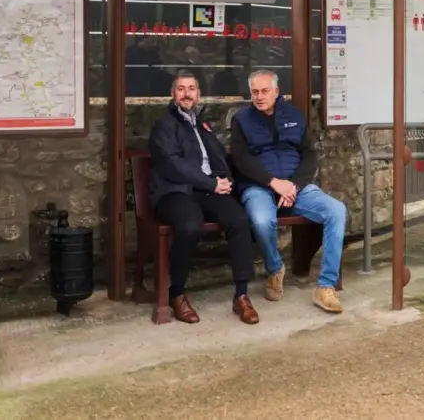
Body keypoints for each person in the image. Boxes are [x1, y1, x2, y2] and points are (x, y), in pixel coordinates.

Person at [230, 69, 348, 314]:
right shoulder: (241, 119)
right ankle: (275, 268)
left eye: (264, 91)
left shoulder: (294, 115)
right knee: (262, 221)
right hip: (258, 187)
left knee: (336, 211)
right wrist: (273, 182)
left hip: (295, 187)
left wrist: (294, 185)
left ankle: (326, 286)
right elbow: (240, 159)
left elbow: (309, 154)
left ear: (276, 91)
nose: (259, 96)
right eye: (255, 92)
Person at [149, 70, 259, 325]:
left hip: (207, 190)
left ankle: (241, 295)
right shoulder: (164, 125)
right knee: (189, 225)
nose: (187, 93)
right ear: (173, 94)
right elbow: (171, 165)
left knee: (239, 220)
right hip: (175, 192)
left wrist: (225, 181)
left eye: (191, 88)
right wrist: (211, 183)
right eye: (181, 89)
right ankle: (176, 293)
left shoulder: (202, 124)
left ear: (198, 94)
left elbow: (218, 158)